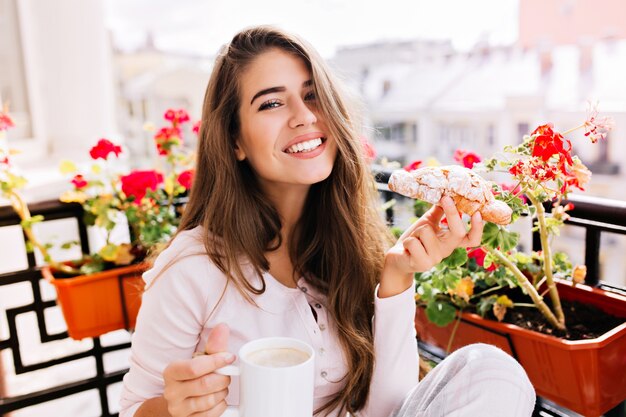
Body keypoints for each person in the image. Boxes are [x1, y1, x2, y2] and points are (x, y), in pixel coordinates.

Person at [120, 26, 536, 417]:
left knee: (494, 370)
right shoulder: (192, 268)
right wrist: (176, 408)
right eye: (271, 102)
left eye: (313, 94)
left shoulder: (346, 241)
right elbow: (135, 408)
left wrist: (397, 277)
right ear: (234, 141)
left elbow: (387, 410)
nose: (305, 116)